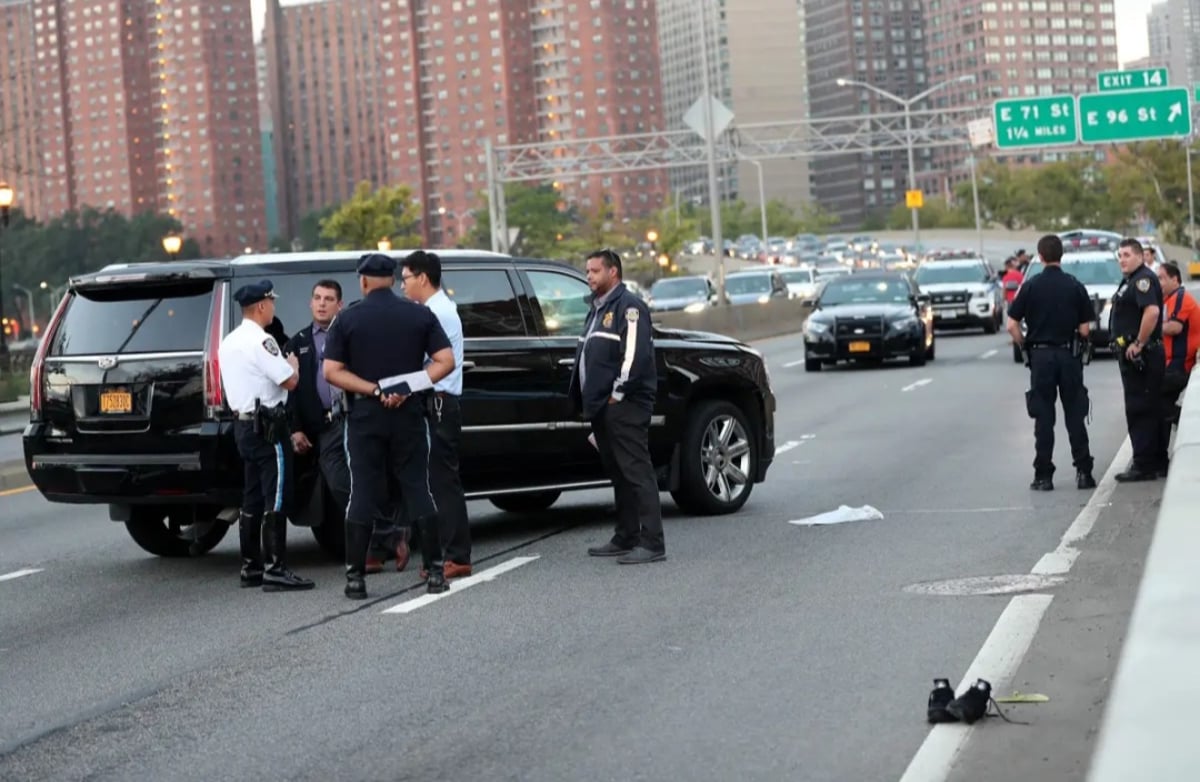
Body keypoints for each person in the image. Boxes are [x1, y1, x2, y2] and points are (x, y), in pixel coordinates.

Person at [322, 253, 457, 599]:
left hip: (365, 417)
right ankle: (436, 574)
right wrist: (406, 386)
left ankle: (356, 580)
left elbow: (331, 371)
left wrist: (375, 389)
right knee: (417, 487)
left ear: (363, 281)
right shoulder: (419, 314)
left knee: (362, 491)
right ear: (394, 279)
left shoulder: (347, 318)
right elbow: (446, 361)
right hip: (409, 415)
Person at [283, 281, 412, 572]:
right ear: (310, 302)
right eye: (317, 298)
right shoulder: (298, 341)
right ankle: (390, 532)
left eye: (329, 299)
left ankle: (371, 551)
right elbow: (289, 391)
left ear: (340, 305)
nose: (322, 303)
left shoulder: (352, 335)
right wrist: (296, 428)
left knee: (369, 478)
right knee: (340, 482)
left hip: (357, 417)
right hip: (326, 425)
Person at [569, 249, 666, 564]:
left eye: (595, 271)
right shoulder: (598, 308)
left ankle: (652, 543)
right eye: (587, 271)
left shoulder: (629, 307)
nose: (589, 276)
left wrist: (617, 394)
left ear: (613, 273)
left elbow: (633, 356)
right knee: (620, 472)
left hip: (625, 405)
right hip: (602, 407)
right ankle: (626, 535)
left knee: (637, 471)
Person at [217, 279, 315, 592]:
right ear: (261, 306)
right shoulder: (263, 341)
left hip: (243, 425)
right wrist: (293, 364)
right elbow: (289, 382)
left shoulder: (229, 341)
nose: (274, 307)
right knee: (277, 494)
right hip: (269, 426)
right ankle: (276, 568)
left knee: (252, 495)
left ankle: (251, 567)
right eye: (271, 302)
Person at [394, 250, 473, 579]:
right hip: (434, 402)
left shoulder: (437, 313)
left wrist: (400, 388)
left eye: (407, 279)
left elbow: (429, 366)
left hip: (440, 402)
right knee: (433, 481)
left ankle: (457, 555)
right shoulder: (432, 310)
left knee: (443, 483)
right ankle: (442, 552)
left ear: (423, 278)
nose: (403, 286)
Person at [1006, 234, 1096, 491]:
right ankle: (1084, 472)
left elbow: (1012, 325)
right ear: (1061, 256)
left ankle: (1043, 476)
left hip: (1041, 357)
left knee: (1043, 418)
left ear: (1041, 256)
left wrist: (1025, 345)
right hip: (1069, 355)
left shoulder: (1031, 286)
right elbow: (1086, 329)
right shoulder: (1075, 285)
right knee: (1075, 415)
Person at [1109, 237, 1166, 482]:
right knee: (1147, 407)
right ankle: (1154, 461)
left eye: (1127, 255)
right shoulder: (1130, 280)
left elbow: (1151, 311)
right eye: (1120, 255)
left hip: (1143, 354)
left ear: (1141, 256)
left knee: (1140, 408)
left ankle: (1144, 465)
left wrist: (1139, 343)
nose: (1122, 259)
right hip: (1136, 354)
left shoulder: (1142, 280)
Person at [1156, 261, 1199, 460]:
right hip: (1171, 363)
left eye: (1161, 278)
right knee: (1161, 407)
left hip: (1180, 365)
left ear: (1175, 279)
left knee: (1156, 403)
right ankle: (1160, 456)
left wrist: (1149, 327)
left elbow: (1174, 327)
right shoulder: (1168, 299)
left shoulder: (1180, 298)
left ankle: (1159, 457)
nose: (1159, 282)